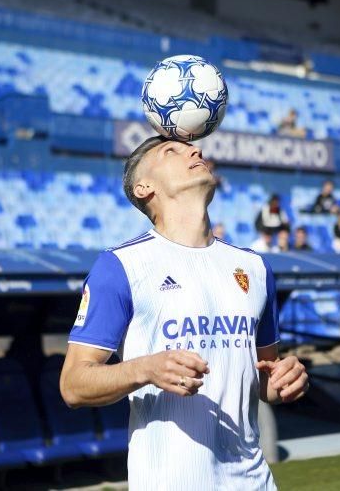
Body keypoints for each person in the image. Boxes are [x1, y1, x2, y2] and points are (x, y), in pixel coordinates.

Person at [60, 136, 307, 490]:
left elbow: (264, 379)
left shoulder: (254, 268)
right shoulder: (120, 266)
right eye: (171, 151)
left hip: (254, 482)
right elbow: (72, 385)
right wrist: (145, 368)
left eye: (193, 148)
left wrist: (286, 378)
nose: (196, 150)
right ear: (144, 187)